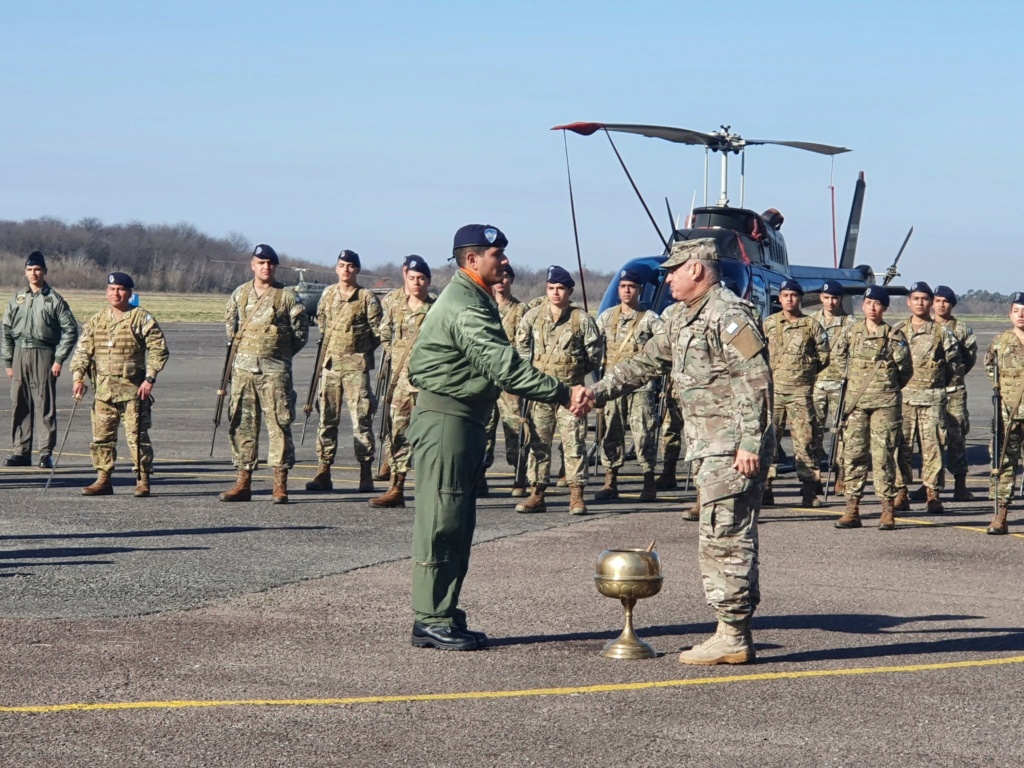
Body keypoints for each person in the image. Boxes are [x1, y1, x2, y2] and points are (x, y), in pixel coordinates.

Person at [574, 238, 773, 666]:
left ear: (697, 271)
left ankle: (733, 635)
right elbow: (642, 364)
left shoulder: (729, 316)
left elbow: (756, 381)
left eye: (673, 271)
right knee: (718, 538)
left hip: (731, 446)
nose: (666, 279)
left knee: (726, 539)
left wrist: (751, 444)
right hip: (708, 446)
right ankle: (730, 632)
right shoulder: (678, 318)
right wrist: (595, 393)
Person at [406, 224, 584, 651]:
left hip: (465, 419)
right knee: (441, 519)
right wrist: (563, 392)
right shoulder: (465, 304)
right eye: (495, 254)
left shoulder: (474, 298)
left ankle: (443, 611)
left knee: (459, 519)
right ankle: (430, 617)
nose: (504, 261)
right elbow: (503, 366)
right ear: (471, 260)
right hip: (447, 420)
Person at [219, 244, 309, 504]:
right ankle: (243, 480)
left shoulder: (287, 297)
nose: (265, 267)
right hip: (243, 371)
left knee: (279, 425)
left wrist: (278, 355)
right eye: (261, 262)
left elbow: (300, 334)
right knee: (242, 424)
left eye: (270, 263)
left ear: (275, 266)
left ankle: (280, 484)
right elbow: (231, 329)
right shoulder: (240, 295)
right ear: (253, 265)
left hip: (275, 372)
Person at [70, 272, 168, 496]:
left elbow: (158, 348)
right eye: (112, 289)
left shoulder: (141, 318)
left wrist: (150, 377)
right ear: (107, 292)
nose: (116, 293)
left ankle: (142, 479)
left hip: (133, 390)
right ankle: (103, 479)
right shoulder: (97, 320)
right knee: (102, 437)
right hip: (104, 391)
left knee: (137, 436)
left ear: (129, 293)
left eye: (121, 289)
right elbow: (83, 351)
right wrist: (78, 378)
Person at [514, 265, 601, 515]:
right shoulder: (532, 316)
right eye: (551, 288)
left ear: (570, 291)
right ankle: (537, 492)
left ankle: (576, 494)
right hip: (540, 392)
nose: (555, 293)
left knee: (574, 443)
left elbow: (595, 355)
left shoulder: (581, 319)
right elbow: (521, 349)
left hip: (570, 393)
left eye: (560, 288)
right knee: (538, 443)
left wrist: (575, 375)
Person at [831, 286, 912, 530]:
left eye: (877, 303)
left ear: (885, 308)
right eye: (868, 303)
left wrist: (886, 387)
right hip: (855, 404)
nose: (872, 307)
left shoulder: (894, 336)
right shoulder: (851, 332)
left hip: (885, 403)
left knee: (883, 456)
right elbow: (837, 360)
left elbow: (905, 371)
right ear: (863, 306)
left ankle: (887, 509)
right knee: (853, 455)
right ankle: (852, 509)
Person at [305, 249, 383, 493]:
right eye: (342, 265)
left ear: (357, 270)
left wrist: (358, 351)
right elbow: (322, 325)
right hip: (329, 368)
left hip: (356, 369)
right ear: (336, 268)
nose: (346, 270)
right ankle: (324, 470)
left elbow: (378, 332)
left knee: (361, 421)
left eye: (350, 266)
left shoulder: (367, 298)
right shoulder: (327, 294)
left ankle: (365, 472)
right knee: (327, 420)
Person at [2, 251, 78, 468]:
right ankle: (21, 451)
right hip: (19, 353)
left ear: (44, 271)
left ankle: (45, 453)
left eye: (37, 269)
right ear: (25, 273)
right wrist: (8, 361)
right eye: (29, 270)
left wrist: (59, 358)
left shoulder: (54, 300)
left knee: (44, 405)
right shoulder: (18, 299)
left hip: (44, 353)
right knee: (20, 404)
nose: (33, 273)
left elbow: (70, 330)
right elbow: (6, 331)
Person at [370, 255, 435, 509]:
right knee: (397, 434)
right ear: (405, 279)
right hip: (401, 385)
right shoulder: (395, 308)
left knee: (431, 440)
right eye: (412, 278)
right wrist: (400, 358)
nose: (416, 283)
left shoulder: (437, 309)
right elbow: (385, 336)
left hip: (430, 386)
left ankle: (431, 490)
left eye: (421, 279)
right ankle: (396, 487)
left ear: (428, 281)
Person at [594, 267, 664, 502]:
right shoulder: (606, 317)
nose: (626, 291)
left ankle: (648, 479)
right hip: (613, 385)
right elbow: (593, 347)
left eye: (631, 287)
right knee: (611, 432)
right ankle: (610, 479)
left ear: (639, 290)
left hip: (641, 386)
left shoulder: (650, 319)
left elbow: (664, 347)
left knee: (643, 432)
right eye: (623, 286)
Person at [893, 282, 963, 513]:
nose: (920, 303)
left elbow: (955, 366)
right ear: (909, 302)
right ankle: (901, 492)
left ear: (930, 302)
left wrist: (940, 388)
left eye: (924, 299)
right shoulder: (897, 330)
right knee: (901, 447)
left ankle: (933, 494)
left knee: (932, 448)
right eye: (916, 298)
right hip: (904, 399)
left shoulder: (943, 332)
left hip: (932, 399)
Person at [762, 279, 829, 507]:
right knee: (768, 440)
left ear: (800, 299)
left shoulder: (811, 325)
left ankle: (809, 490)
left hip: (801, 392)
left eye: (794, 295)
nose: (789, 299)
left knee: (805, 441)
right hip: (774, 393)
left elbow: (824, 356)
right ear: (779, 298)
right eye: (785, 295)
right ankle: (766, 488)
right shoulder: (769, 324)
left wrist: (805, 374)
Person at [481, 264, 528, 496]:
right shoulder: (484, 306)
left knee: (514, 427)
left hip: (510, 378)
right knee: (484, 428)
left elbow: (526, 345)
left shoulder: (521, 310)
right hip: (486, 377)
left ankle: (520, 474)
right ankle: (478, 474)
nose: (501, 280)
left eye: (506, 276)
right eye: (499, 276)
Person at [932, 285, 978, 501]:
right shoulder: (926, 327)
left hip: (953, 391)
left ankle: (960, 484)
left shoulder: (961, 329)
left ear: (952, 305)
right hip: (929, 391)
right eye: (938, 300)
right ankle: (930, 484)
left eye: (945, 301)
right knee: (930, 439)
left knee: (956, 437)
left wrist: (953, 378)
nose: (941, 305)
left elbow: (969, 359)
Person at [984, 292, 1024, 535]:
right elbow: (991, 369)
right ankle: (1000, 515)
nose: (1021, 316)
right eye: (1017, 311)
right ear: (1010, 314)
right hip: (1008, 415)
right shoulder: (1000, 342)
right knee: (1003, 464)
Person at [811, 280, 855, 494]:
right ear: (821, 298)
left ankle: (840, 474)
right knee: (813, 431)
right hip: (816, 384)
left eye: (835, 298)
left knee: (841, 432)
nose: (830, 302)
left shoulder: (851, 324)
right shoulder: (810, 321)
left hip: (841, 384)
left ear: (840, 299)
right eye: (827, 297)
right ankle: (814, 476)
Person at [373, 268, 412, 483]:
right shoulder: (392, 300)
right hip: (394, 369)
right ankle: (390, 460)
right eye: (409, 274)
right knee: (391, 417)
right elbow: (384, 333)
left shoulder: (432, 304)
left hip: (420, 374)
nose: (414, 279)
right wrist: (395, 354)